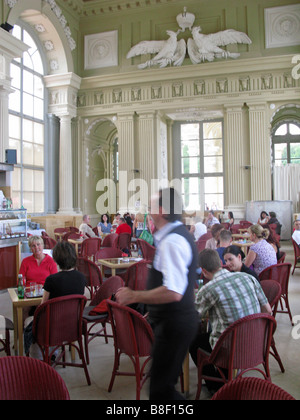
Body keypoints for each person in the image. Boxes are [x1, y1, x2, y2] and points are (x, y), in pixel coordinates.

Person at [116, 187, 198, 400]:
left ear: (161, 210)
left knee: (161, 393)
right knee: (163, 388)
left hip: (175, 324)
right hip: (172, 323)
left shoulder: (172, 241)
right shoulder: (173, 235)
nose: (147, 210)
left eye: (150, 206)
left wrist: (134, 296)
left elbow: (173, 291)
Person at [190, 249, 271, 390]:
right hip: (257, 344)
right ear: (221, 263)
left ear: (203, 271)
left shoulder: (208, 289)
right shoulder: (248, 277)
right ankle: (226, 375)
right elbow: (268, 311)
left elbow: (192, 318)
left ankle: (217, 386)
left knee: (193, 342)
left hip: (231, 350)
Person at [25, 242, 86, 355]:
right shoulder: (81, 277)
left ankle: (37, 359)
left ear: (56, 259)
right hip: (72, 322)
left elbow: (42, 307)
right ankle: (53, 352)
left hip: (52, 325)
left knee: (29, 321)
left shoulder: (51, 280)